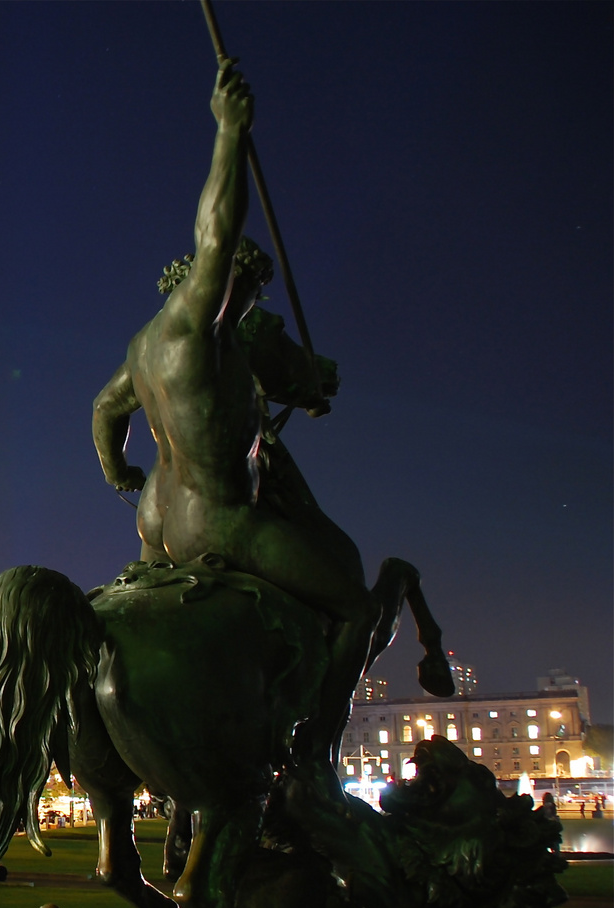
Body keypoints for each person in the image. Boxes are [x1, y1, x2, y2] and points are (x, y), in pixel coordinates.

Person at [90, 59, 450, 778]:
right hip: (216, 522)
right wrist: (228, 133)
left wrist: (120, 468)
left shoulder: (143, 347)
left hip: (156, 523)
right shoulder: (199, 325)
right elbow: (217, 230)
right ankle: (316, 762)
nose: (248, 309)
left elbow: (104, 411)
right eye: (246, 296)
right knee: (352, 608)